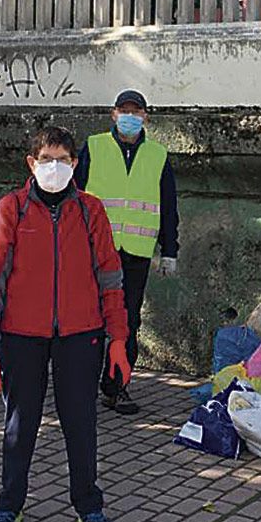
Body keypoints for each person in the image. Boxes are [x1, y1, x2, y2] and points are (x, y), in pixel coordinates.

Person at [0, 126, 131, 522]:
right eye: (47, 160)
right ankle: (9, 505)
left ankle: (89, 505)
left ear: (75, 164)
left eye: (63, 160)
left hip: (81, 335)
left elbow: (110, 278)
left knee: (81, 423)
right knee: (18, 426)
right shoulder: (11, 210)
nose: (54, 168)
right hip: (21, 336)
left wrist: (118, 337)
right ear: (32, 163)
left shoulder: (90, 211)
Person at [75, 89, 178, 415]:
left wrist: (170, 250)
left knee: (127, 323)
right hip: (95, 250)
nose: (131, 116)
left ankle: (116, 387)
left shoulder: (158, 155)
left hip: (135, 252)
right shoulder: (94, 147)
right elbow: (72, 196)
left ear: (146, 116)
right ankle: (80, 386)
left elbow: (168, 205)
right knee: (88, 321)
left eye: (137, 111)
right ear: (113, 113)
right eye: (125, 110)